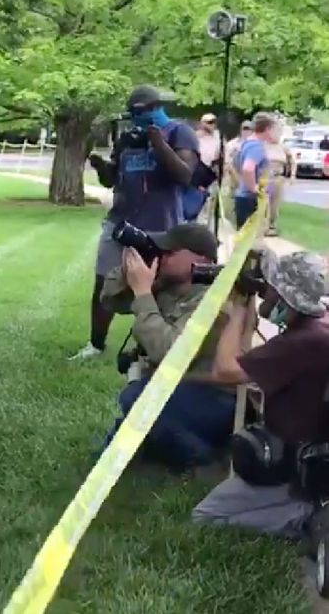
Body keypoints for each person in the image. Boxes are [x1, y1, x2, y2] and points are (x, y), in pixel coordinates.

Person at [192, 251, 329, 539]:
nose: (264, 291)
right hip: (308, 453)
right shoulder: (316, 328)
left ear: (285, 298)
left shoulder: (302, 341)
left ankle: (308, 519)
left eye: (269, 287)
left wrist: (238, 309)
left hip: (293, 467)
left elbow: (226, 370)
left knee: (206, 516)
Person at [73, 85, 200, 361]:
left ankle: (156, 345)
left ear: (156, 107)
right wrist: (99, 165)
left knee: (161, 287)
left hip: (162, 226)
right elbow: (112, 179)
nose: (134, 118)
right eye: (131, 113)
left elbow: (185, 175)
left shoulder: (180, 132)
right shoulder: (127, 138)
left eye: (139, 112)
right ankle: (95, 344)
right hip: (120, 221)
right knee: (104, 283)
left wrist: (158, 143)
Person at [97, 223, 233, 470]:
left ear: (201, 258)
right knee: (110, 454)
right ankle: (155, 441)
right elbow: (110, 300)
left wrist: (142, 293)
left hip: (213, 398)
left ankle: (202, 457)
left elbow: (170, 353)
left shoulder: (214, 300)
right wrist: (132, 270)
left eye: (170, 252)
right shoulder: (167, 285)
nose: (162, 255)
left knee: (135, 397)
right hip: (177, 390)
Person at [233, 112, 281, 229]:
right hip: (250, 199)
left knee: (243, 238)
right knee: (251, 239)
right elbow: (248, 168)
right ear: (268, 128)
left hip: (243, 196)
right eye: (274, 129)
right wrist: (254, 188)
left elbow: (237, 164)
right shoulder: (256, 147)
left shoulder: (246, 143)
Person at [186, 114, 221, 224]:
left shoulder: (217, 137)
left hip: (211, 174)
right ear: (202, 123)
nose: (212, 125)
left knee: (210, 206)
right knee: (194, 206)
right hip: (197, 175)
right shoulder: (195, 137)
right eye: (208, 122)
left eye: (213, 122)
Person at [262, 134, 294, 236]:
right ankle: (262, 226)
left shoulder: (283, 148)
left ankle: (272, 226)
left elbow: (292, 161)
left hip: (277, 177)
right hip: (264, 177)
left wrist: (292, 175)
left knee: (274, 204)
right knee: (263, 203)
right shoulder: (263, 146)